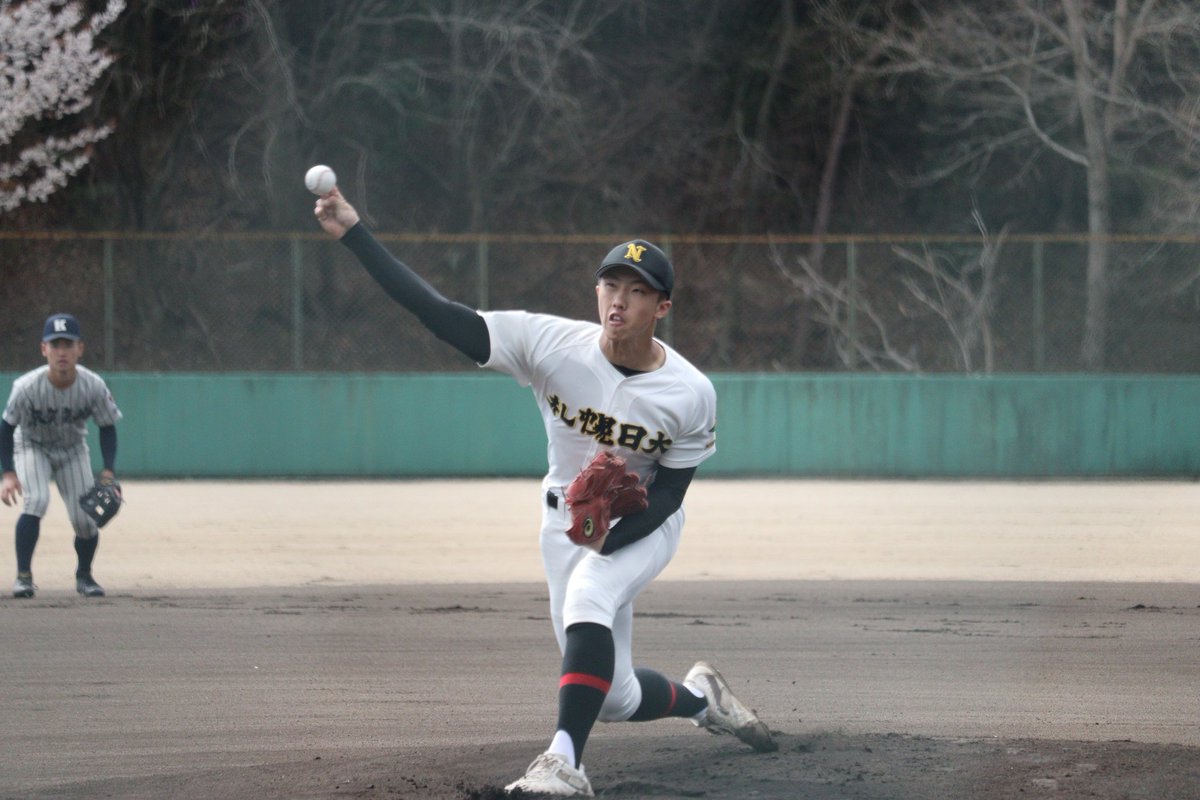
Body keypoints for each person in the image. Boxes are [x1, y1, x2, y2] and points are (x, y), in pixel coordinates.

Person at [314, 187, 775, 796]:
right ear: (597, 293)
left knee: (590, 592)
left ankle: (564, 763)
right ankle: (701, 700)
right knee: (613, 695)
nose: (620, 300)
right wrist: (354, 233)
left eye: (638, 291)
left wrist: (612, 535)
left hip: (645, 525)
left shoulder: (690, 392)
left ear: (661, 307)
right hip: (563, 523)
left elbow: (670, 495)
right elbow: (439, 313)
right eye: (612, 285)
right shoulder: (550, 343)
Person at [1, 313, 123, 598]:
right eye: (54, 345)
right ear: (44, 349)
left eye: (68, 344)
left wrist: (108, 470)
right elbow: (5, 429)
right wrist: (8, 473)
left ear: (80, 348)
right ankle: (23, 577)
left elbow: (107, 426)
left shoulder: (93, 385)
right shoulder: (26, 387)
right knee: (37, 500)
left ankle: (85, 576)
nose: (61, 352)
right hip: (32, 446)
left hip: (72, 450)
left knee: (85, 519)